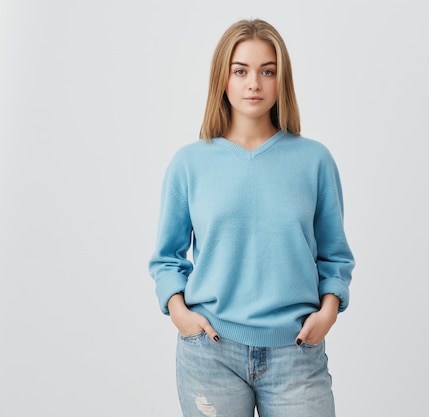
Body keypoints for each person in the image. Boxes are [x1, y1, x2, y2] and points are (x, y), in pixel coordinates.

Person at [148, 18, 355, 417]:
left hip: (296, 353)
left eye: (267, 71)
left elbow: (335, 256)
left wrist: (328, 310)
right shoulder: (189, 164)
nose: (254, 84)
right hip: (210, 354)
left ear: (282, 80)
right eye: (240, 71)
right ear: (222, 79)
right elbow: (166, 259)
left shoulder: (314, 161)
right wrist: (180, 313)